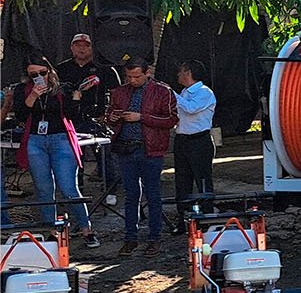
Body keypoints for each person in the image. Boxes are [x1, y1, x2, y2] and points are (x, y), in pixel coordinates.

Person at [4, 58, 97, 247]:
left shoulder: (63, 88)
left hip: (60, 138)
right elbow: (21, 116)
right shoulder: (24, 90)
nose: (39, 77)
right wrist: (32, 97)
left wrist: (77, 96)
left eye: (42, 73)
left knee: (68, 187)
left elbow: (73, 115)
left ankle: (86, 228)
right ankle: (52, 230)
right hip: (36, 140)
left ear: (50, 71)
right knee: (44, 188)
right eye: (33, 75)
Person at [107, 58, 178, 255]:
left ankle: (154, 238)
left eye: (137, 76)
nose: (132, 80)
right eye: (129, 76)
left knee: (153, 194)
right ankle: (131, 238)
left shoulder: (162, 91)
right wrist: (112, 117)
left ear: (147, 73)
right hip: (126, 148)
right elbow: (109, 115)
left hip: (150, 149)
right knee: (131, 196)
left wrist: (142, 117)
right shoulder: (120, 92)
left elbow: (171, 119)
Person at [171, 59, 218, 225]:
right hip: (182, 140)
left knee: (203, 180)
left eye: (181, 71)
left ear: (188, 73)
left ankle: (208, 219)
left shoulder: (204, 92)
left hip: (199, 141)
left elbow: (191, 108)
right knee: (182, 181)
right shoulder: (184, 92)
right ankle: (184, 219)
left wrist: (171, 94)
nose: (178, 75)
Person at [54, 33, 119, 130]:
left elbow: (117, 94)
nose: (82, 49)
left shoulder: (105, 68)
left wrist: (108, 114)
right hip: (67, 119)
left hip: (96, 119)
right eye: (78, 45)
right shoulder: (62, 68)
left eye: (86, 45)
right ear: (71, 47)